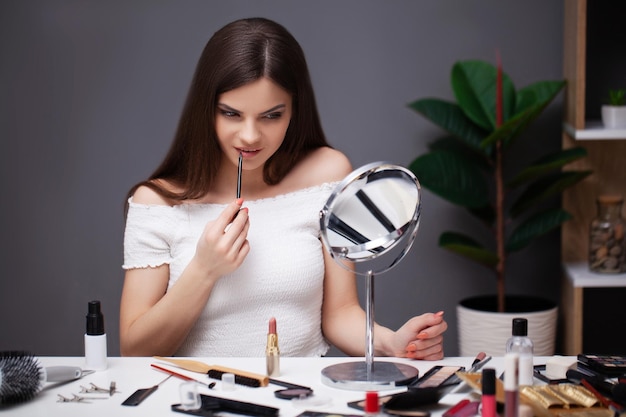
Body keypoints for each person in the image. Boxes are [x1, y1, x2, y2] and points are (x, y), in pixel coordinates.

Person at [119, 17, 447, 359]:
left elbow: (339, 316)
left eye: (271, 116)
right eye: (231, 114)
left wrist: (389, 343)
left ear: (294, 111)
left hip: (299, 402)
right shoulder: (156, 202)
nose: (249, 136)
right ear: (206, 111)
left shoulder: (327, 174)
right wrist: (204, 270)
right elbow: (134, 351)